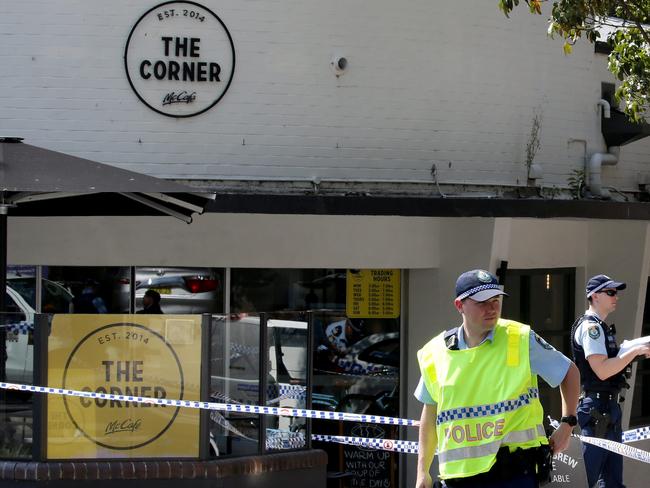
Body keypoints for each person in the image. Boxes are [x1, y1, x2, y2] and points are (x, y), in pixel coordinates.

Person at [415, 269, 580, 488]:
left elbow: (568, 371)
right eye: (482, 302)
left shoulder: (519, 338)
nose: (492, 308)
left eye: (496, 300)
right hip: (459, 480)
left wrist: (567, 424)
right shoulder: (434, 353)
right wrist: (422, 471)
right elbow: (431, 412)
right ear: (459, 305)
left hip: (513, 475)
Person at [571, 274, 650, 488]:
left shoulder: (600, 327)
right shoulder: (592, 328)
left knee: (613, 482)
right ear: (595, 296)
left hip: (608, 408)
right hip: (598, 410)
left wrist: (631, 351)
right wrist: (633, 353)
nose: (616, 297)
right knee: (587, 479)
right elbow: (603, 371)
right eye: (611, 292)